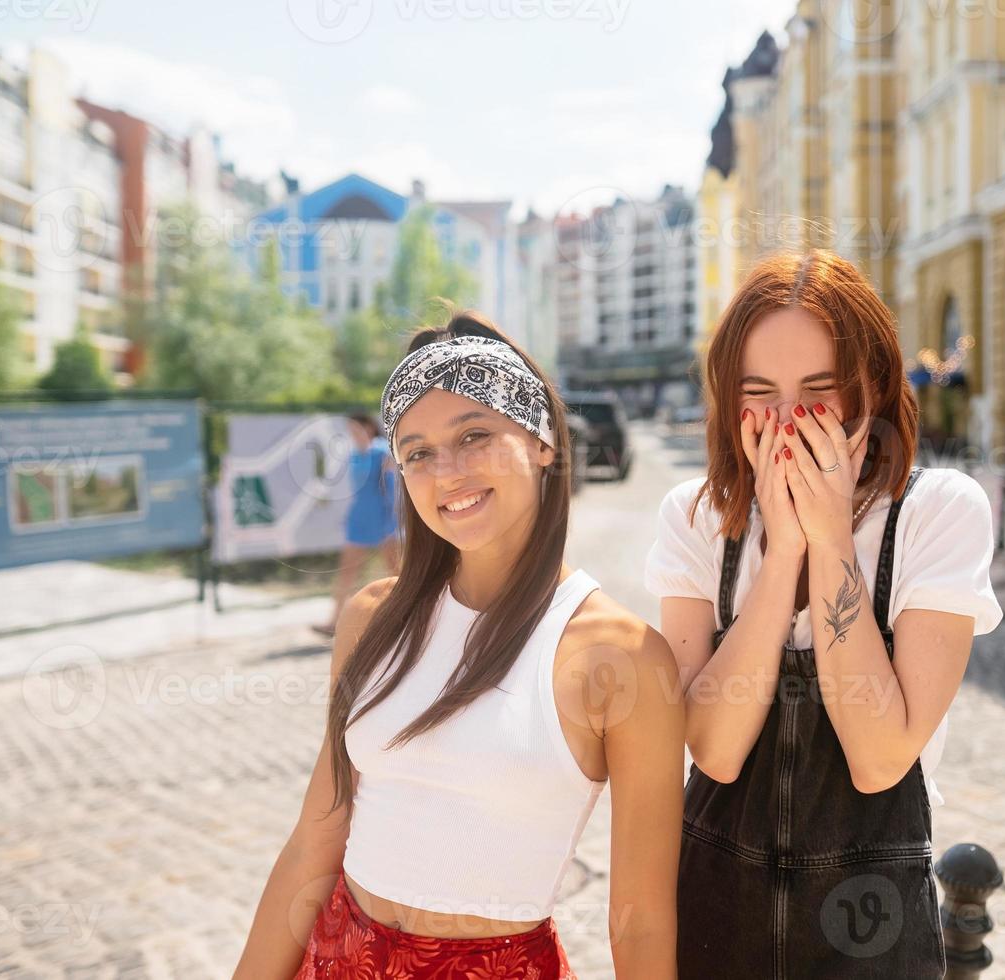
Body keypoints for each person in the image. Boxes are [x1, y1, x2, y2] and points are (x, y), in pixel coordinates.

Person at [237, 310, 684, 979]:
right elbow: (314, 842)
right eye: (416, 452)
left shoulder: (621, 658)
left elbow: (641, 917)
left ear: (543, 443)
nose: (446, 472)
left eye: (473, 435)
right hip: (335, 956)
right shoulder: (371, 618)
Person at [644, 249, 1004, 978]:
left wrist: (830, 538)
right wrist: (779, 560)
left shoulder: (936, 512)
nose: (785, 421)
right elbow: (711, 750)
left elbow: (878, 759)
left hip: (867, 927)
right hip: (715, 914)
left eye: (816, 389)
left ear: (868, 385)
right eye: (758, 392)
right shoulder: (692, 517)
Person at [313, 413, 401, 638]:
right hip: (358, 519)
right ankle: (334, 622)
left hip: (382, 519)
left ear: (368, 428)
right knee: (346, 572)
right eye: (350, 429)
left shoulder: (382, 451)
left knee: (396, 571)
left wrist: (391, 520)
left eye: (356, 428)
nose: (352, 433)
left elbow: (391, 487)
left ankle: (407, 615)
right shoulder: (354, 456)